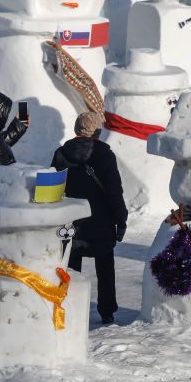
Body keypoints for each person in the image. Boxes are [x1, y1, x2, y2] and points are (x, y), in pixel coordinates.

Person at [52, 112, 128, 325]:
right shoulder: (104, 154)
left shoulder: (60, 154)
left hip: (71, 221)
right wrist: (121, 219)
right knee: (105, 267)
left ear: (77, 129)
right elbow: (114, 190)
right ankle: (107, 311)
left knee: (70, 267)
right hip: (101, 221)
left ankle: (70, 305)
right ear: (97, 131)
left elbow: (53, 189)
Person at [0, 90, 28, 188]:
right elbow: (0, 180)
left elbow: (4, 141)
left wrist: (21, 123)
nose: (6, 118)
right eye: (4, 114)